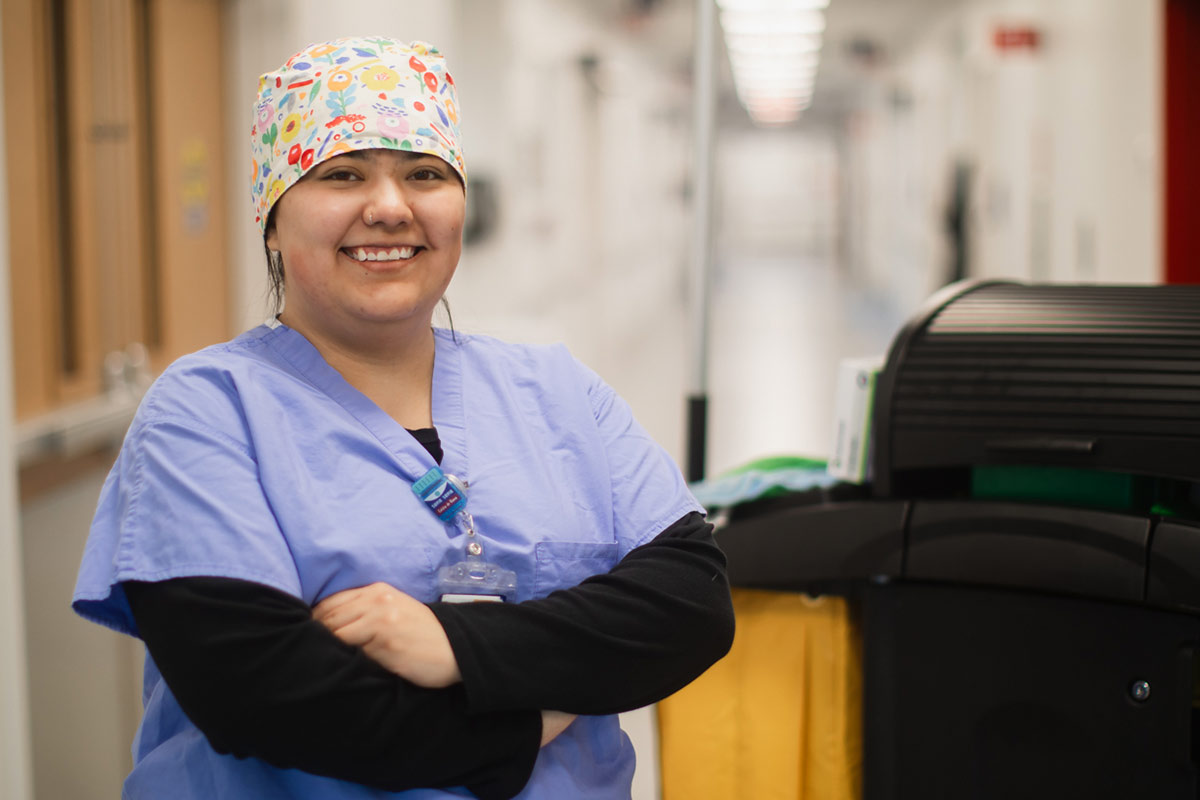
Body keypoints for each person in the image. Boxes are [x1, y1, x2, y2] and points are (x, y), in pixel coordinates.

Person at [72, 36, 734, 800]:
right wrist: (533, 716)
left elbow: (689, 605)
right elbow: (265, 693)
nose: (390, 209)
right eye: (342, 174)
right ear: (273, 218)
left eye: (424, 174)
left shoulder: (557, 391)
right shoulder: (206, 412)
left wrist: (456, 644)